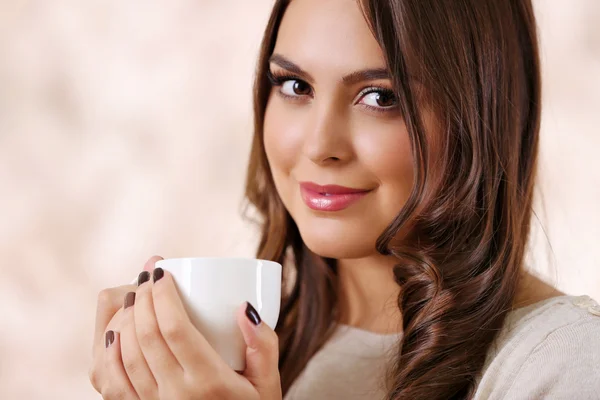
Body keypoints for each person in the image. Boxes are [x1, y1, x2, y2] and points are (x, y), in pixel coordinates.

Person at [88, 0, 600, 399]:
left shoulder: (563, 364)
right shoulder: (262, 343)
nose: (318, 146)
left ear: (479, 115)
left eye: (381, 96)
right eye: (294, 85)